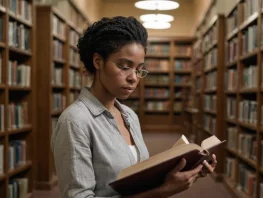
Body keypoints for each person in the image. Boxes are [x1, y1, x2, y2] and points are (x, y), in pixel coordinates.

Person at [51, 16, 217, 198]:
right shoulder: (75, 121)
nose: (133, 78)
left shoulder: (129, 115)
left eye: (139, 69)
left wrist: (186, 170)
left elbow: (137, 180)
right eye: (124, 66)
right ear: (98, 62)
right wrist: (162, 192)